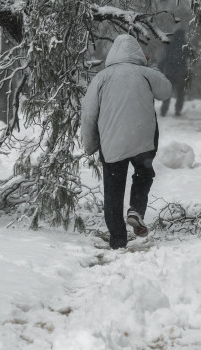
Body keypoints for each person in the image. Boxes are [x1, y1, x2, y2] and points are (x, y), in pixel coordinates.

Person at [81, 34, 173, 249]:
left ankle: (117, 239)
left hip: (111, 141)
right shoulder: (146, 73)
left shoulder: (101, 77)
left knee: (113, 189)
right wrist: (152, 69)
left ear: (113, 53)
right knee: (144, 173)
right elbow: (166, 91)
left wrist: (90, 144)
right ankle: (136, 210)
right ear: (138, 53)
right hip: (143, 139)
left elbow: (88, 113)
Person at [157, 29, 188, 116]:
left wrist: (160, 69)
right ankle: (178, 110)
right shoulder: (185, 46)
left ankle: (164, 110)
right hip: (181, 72)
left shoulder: (169, 45)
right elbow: (190, 56)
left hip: (170, 72)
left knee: (168, 92)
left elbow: (164, 58)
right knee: (180, 93)